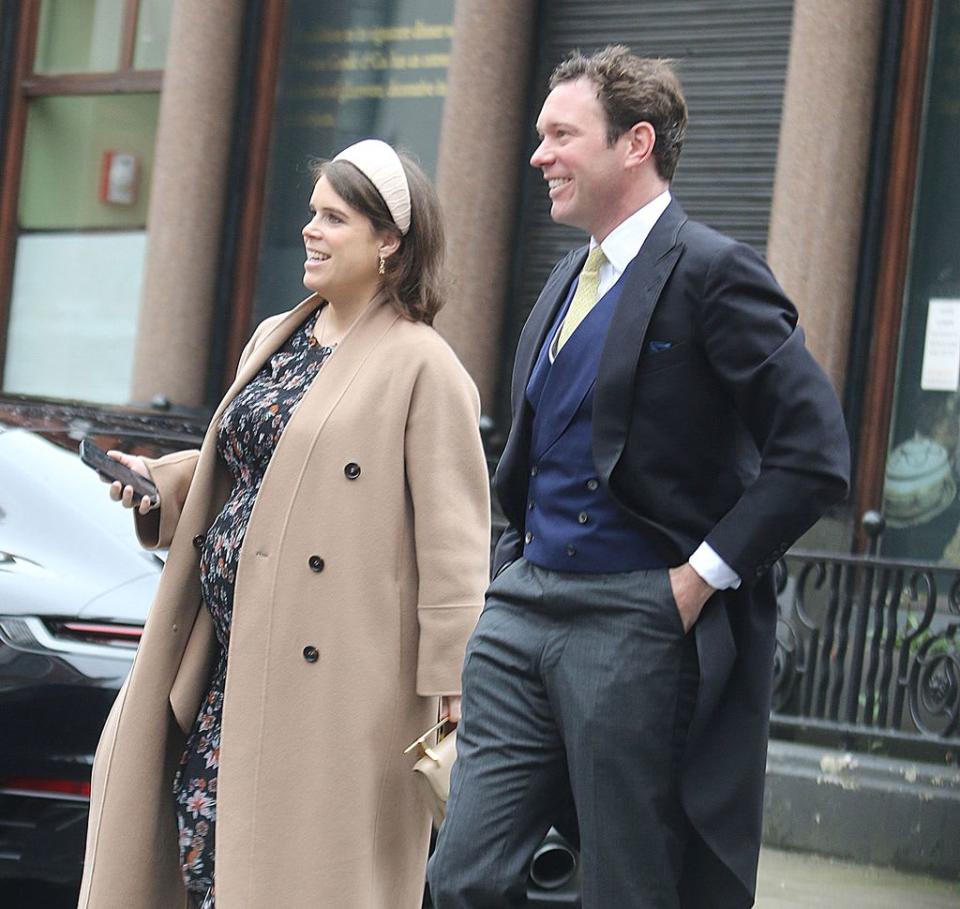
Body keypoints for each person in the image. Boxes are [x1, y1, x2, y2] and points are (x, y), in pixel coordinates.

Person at [428, 47, 850, 909]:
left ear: (636, 143)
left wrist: (694, 583)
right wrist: (509, 574)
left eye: (560, 134)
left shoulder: (713, 272)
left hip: (635, 618)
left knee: (629, 886)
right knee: (461, 874)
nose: (539, 154)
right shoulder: (558, 281)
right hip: (521, 609)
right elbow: (533, 455)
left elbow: (814, 452)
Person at [77, 139, 490, 909]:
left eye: (335, 217)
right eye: (312, 213)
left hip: (337, 682)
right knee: (200, 856)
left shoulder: (424, 366)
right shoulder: (279, 333)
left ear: (389, 240)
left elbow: (457, 543)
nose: (312, 230)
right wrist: (159, 486)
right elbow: (250, 466)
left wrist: (453, 687)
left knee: (295, 876)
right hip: (223, 661)